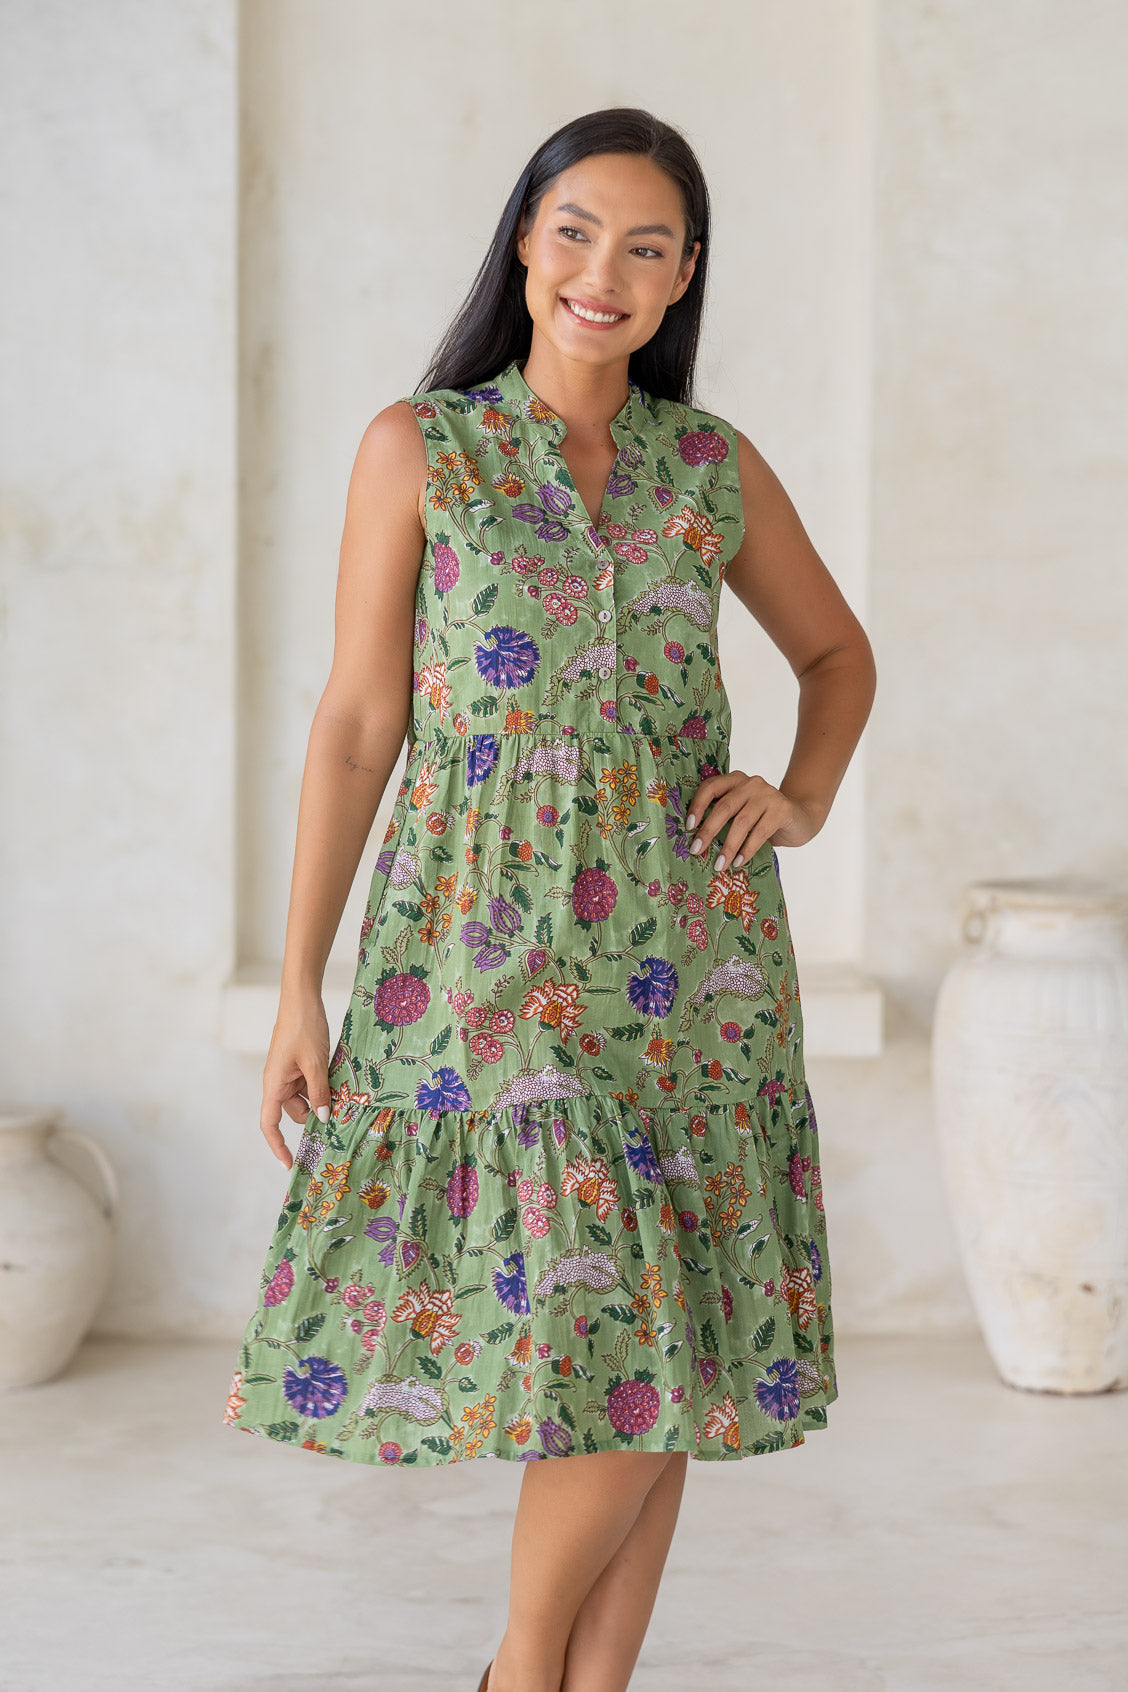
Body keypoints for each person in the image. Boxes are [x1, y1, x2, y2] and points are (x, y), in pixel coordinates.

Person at [224, 106, 876, 1692]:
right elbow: (358, 725)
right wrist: (300, 983)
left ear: (682, 279)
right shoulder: (422, 447)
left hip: (700, 953)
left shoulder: (708, 465)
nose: (606, 271)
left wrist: (799, 797)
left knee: (674, 1335)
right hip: (486, 950)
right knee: (616, 1318)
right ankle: (522, 1673)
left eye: (646, 247)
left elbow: (839, 656)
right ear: (525, 239)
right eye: (577, 230)